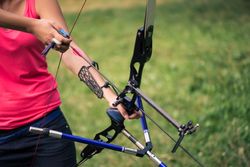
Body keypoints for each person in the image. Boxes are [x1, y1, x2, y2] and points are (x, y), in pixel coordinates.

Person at [0, 0, 141, 166]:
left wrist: (110, 96)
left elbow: (69, 52)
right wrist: (32, 25)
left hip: (44, 124)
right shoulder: (31, 23)